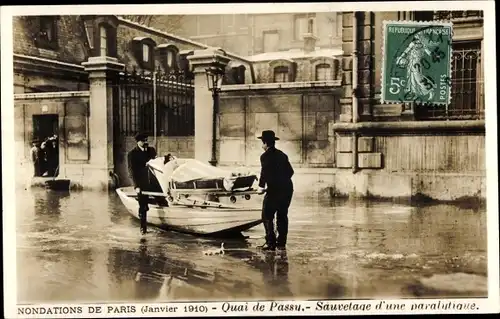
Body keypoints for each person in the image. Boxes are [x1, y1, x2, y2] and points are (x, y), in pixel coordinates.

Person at [256, 130, 294, 251]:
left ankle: (270, 243)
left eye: (262, 143)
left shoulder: (265, 156)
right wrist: (281, 181)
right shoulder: (282, 155)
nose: (262, 146)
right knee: (282, 215)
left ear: (266, 143)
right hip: (287, 189)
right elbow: (290, 172)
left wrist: (261, 187)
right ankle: (281, 243)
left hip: (274, 191)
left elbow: (264, 173)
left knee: (267, 216)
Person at [128, 132, 157, 235]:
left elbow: (156, 164)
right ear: (138, 142)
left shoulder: (151, 151)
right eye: (143, 140)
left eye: (146, 140)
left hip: (153, 182)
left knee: (162, 199)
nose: (145, 142)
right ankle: (143, 228)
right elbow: (132, 171)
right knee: (143, 206)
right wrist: (136, 186)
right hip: (141, 183)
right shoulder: (132, 154)